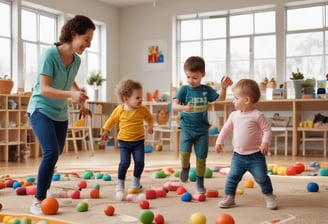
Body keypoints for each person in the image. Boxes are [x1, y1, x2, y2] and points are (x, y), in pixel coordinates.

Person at [27, 15, 95, 214]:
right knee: (51, 152)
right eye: (87, 39)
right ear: (74, 34)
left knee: (56, 154)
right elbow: (45, 89)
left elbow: (71, 80)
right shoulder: (49, 55)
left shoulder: (76, 60)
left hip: (60, 113)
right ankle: (38, 200)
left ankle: (45, 190)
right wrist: (71, 94)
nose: (88, 45)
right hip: (40, 109)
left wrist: (81, 100)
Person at [172, 56, 233, 194]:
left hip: (202, 130)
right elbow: (174, 106)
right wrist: (183, 108)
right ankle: (185, 168)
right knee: (185, 153)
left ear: (202, 75)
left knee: (201, 157)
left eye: (195, 77)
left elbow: (221, 99)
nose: (191, 81)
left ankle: (200, 181)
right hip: (187, 128)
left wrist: (223, 88)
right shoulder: (184, 90)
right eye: (188, 77)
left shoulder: (206, 90)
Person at [215, 78, 278, 210]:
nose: (233, 101)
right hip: (238, 156)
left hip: (256, 156)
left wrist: (265, 143)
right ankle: (229, 197)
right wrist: (219, 141)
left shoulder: (257, 115)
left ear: (247, 100)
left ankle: (269, 195)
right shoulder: (233, 115)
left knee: (261, 177)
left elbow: (267, 130)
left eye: (236, 98)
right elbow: (226, 129)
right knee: (232, 177)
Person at [101, 79, 154, 196]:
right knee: (124, 162)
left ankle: (136, 181)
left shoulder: (142, 109)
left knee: (140, 162)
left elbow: (150, 117)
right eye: (137, 98)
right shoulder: (119, 110)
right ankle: (120, 183)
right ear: (126, 99)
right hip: (124, 142)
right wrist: (105, 130)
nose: (141, 100)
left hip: (139, 141)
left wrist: (150, 126)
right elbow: (111, 120)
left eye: (141, 97)